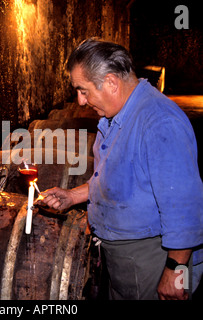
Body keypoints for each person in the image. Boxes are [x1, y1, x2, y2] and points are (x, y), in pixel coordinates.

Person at [42, 39, 203, 300]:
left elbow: (185, 205)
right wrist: (73, 196)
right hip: (125, 261)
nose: (80, 101)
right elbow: (119, 178)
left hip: (153, 258)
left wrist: (176, 271)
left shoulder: (159, 121)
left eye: (83, 90)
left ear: (111, 83)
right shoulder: (118, 116)